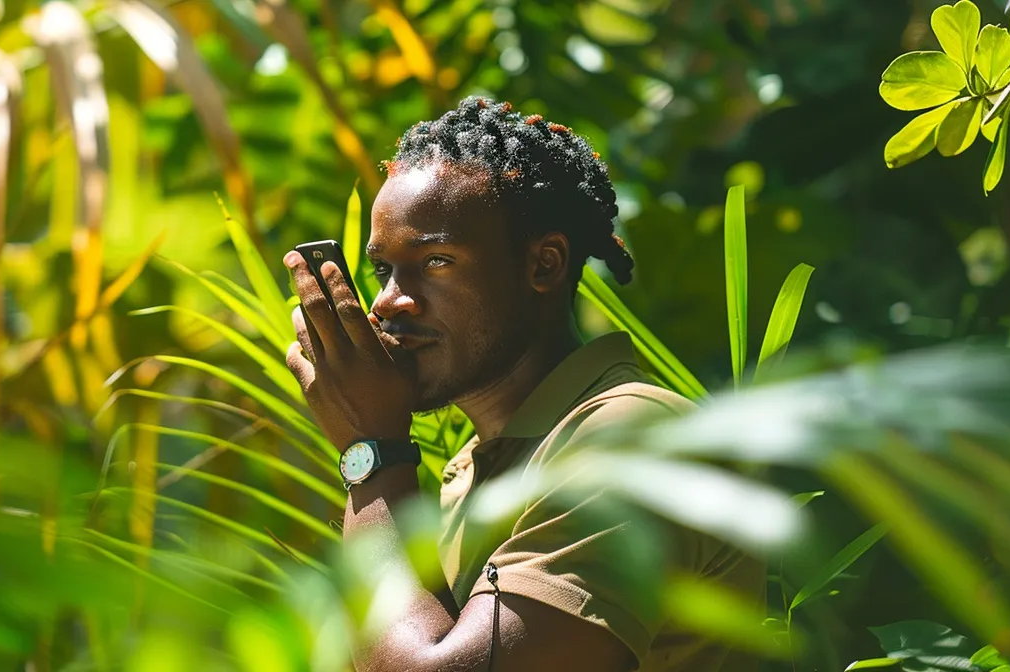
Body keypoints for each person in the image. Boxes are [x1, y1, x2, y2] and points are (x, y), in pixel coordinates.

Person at [282, 97, 764, 672]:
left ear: (544, 264)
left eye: (435, 260)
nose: (389, 300)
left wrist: (372, 452)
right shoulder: (471, 471)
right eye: (384, 269)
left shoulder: (626, 439)